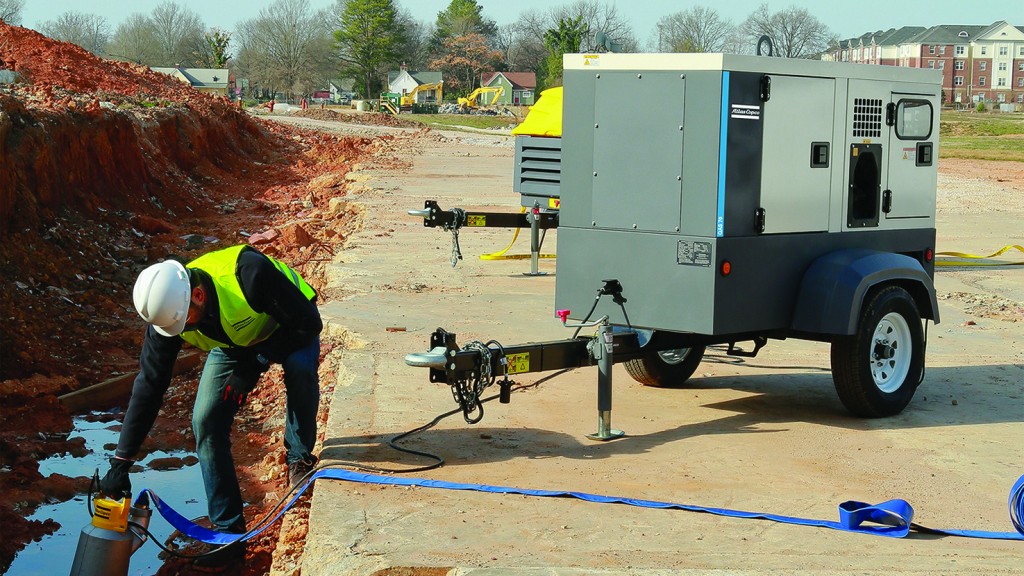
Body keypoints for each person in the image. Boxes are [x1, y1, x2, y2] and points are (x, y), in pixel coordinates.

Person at [99, 244, 323, 567]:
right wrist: (121, 460)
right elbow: (149, 385)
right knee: (205, 421)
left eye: (186, 323)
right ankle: (228, 535)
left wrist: (254, 363)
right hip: (234, 342)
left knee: (300, 371)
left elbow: (309, 323)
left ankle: (299, 457)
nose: (183, 332)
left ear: (199, 296)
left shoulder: (248, 274)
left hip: (288, 322)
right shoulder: (170, 313)